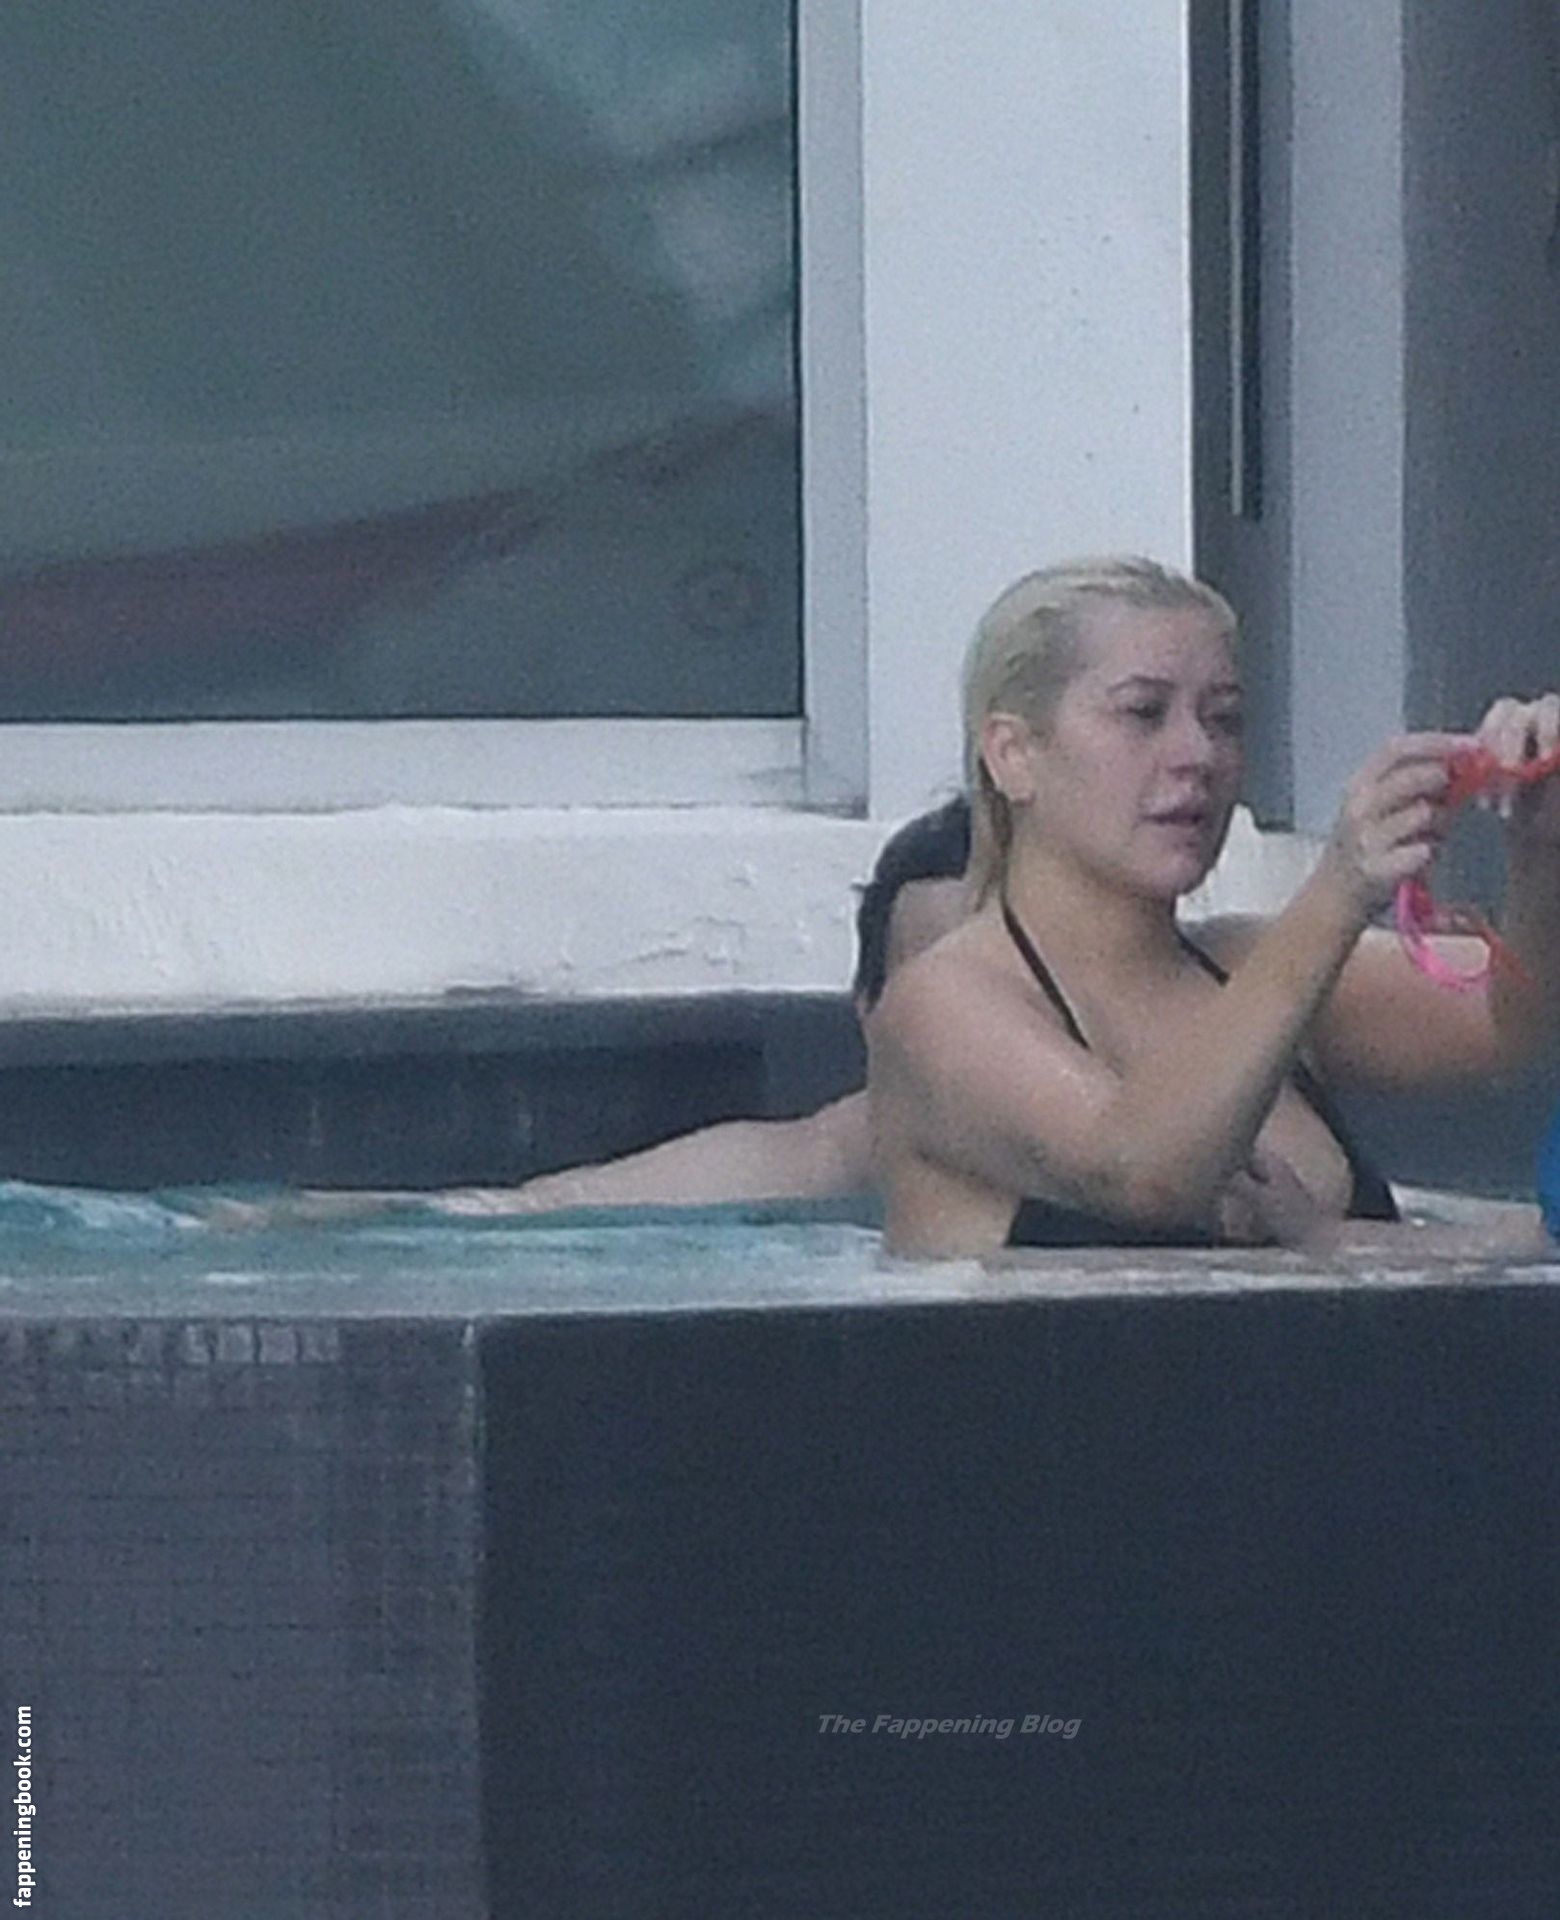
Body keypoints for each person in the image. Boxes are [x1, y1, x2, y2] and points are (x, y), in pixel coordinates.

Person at [868, 555, 1560, 1260]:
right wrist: (1338, 891)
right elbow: (1143, 1172)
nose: (1199, 753)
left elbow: (1515, 1023)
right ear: (1012, 754)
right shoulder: (938, 1007)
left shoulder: (1250, 964)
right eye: (1143, 712)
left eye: (1224, 719)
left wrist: (1543, 846)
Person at [201, 798, 976, 1228]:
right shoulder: (801, 1174)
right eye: (945, 987)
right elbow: (525, 1214)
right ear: (868, 1011)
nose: (986, 1024)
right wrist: (325, 1223)